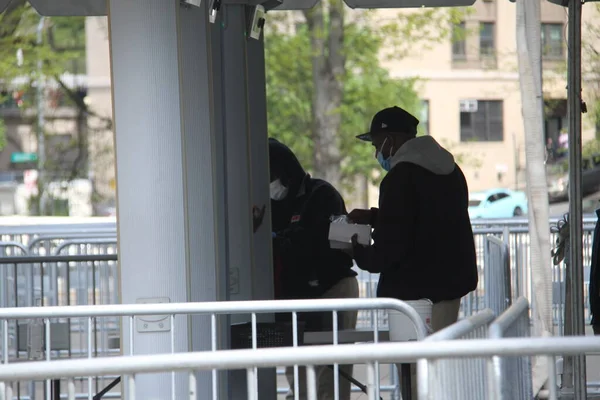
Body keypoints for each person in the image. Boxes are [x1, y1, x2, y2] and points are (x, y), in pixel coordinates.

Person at [349, 106, 479, 396]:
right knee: (438, 372)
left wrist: (356, 250)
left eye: (376, 143)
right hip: (448, 289)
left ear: (390, 140)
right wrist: (374, 217)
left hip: (414, 297)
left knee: (417, 377)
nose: (376, 153)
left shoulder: (399, 177)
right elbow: (429, 222)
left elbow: (390, 249)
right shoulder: (450, 170)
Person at [269, 138, 359, 400]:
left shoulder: (323, 195)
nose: (270, 183)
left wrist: (281, 240)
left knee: (330, 374)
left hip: (332, 289)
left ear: (285, 171)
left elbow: (326, 243)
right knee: (299, 375)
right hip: (296, 299)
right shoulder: (268, 203)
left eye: (272, 175)